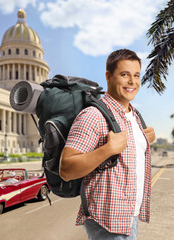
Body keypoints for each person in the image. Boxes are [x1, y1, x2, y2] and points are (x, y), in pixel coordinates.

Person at [60, 49, 156, 240]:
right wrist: (108, 149)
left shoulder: (135, 117)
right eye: (124, 74)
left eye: (136, 75)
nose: (132, 82)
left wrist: (145, 139)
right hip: (107, 222)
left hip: (130, 216)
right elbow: (66, 168)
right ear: (108, 76)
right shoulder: (93, 116)